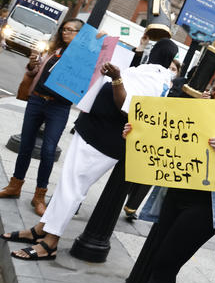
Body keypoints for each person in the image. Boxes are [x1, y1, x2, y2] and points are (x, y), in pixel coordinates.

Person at [3, 38, 178, 260]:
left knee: (73, 188)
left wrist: (116, 79)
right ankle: (41, 229)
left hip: (102, 138)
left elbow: (127, 107)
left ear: (158, 54)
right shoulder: (153, 75)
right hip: (95, 132)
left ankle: (50, 242)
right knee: (68, 184)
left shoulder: (153, 77)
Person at [123, 71, 215, 283]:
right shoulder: (201, 115)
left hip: (205, 207)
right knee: (159, 259)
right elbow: (166, 138)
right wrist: (136, 134)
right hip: (175, 194)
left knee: (165, 264)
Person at [0, 18, 84, 216]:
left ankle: (39, 196)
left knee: (48, 150)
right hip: (37, 100)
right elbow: (36, 72)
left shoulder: (83, 59)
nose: (65, 33)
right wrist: (32, 65)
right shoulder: (54, 51)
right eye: (64, 29)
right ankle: (15, 185)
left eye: (71, 30)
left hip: (59, 107)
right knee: (26, 144)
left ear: (80, 35)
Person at [122, 59, 182, 221]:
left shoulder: (178, 89)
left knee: (149, 175)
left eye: (174, 69)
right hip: (146, 132)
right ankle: (125, 197)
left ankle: (131, 207)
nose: (170, 70)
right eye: (168, 67)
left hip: (163, 138)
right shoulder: (152, 81)